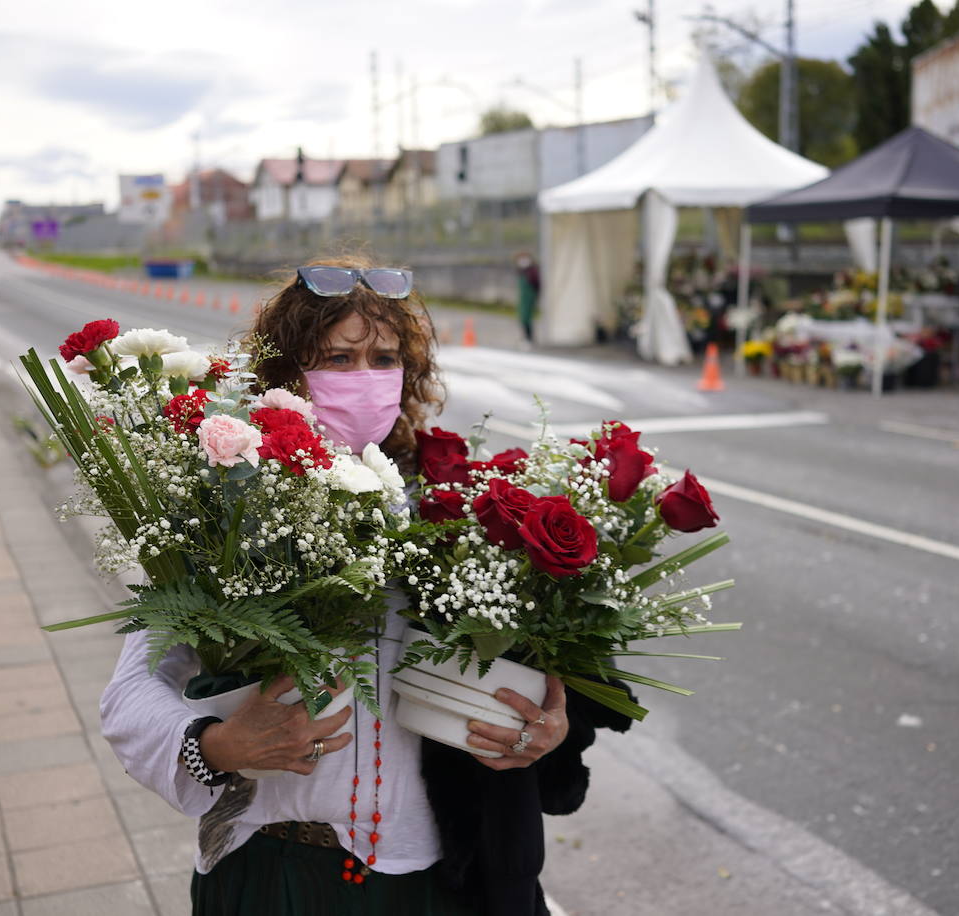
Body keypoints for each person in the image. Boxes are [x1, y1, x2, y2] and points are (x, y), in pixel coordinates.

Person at [100, 253, 631, 916]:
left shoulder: (459, 507)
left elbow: (560, 677)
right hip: (276, 876)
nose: (367, 379)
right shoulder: (225, 510)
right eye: (337, 359)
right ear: (288, 372)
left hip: (442, 882)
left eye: (385, 360)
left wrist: (552, 728)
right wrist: (215, 746)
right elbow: (128, 697)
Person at [514, 252, 540, 347]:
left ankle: (529, 338)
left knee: (527, 318)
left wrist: (536, 296)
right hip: (523, 298)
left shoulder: (532, 271)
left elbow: (537, 284)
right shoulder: (521, 271)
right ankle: (525, 337)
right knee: (522, 318)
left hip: (530, 297)